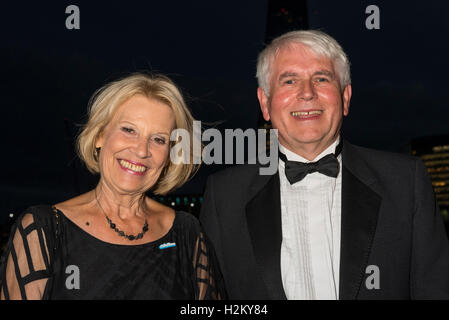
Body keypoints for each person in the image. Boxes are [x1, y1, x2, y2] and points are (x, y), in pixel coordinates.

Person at [199, 30, 449, 299]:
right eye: (289, 80)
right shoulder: (223, 196)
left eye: (321, 78)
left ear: (345, 97)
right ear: (265, 103)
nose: (307, 93)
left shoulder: (405, 182)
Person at [0, 73, 226, 300]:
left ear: (168, 155)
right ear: (99, 135)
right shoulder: (43, 231)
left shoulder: (188, 234)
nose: (141, 150)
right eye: (129, 130)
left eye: (158, 139)